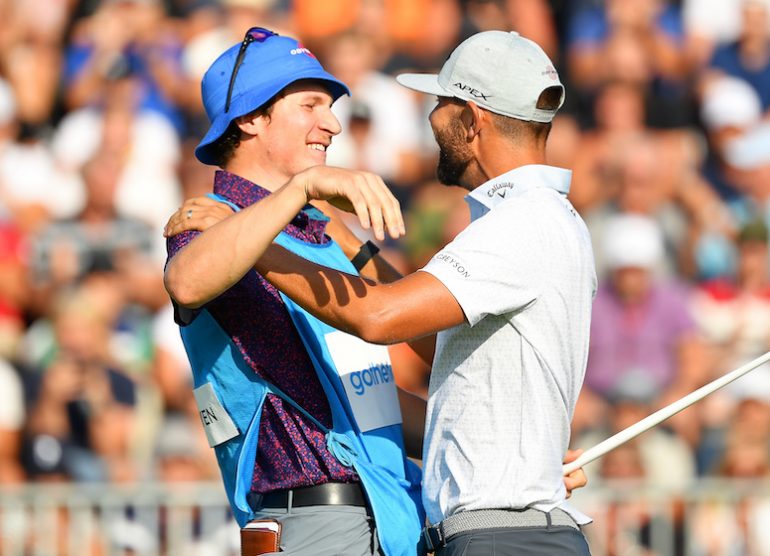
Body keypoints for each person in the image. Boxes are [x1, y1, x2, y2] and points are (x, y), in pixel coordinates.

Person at [165, 29, 593, 555]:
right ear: (251, 119)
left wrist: (511, 454)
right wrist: (304, 188)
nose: (333, 122)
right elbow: (186, 280)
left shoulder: (320, 236)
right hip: (311, 519)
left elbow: (373, 404)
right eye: (310, 105)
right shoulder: (214, 223)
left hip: (396, 515)